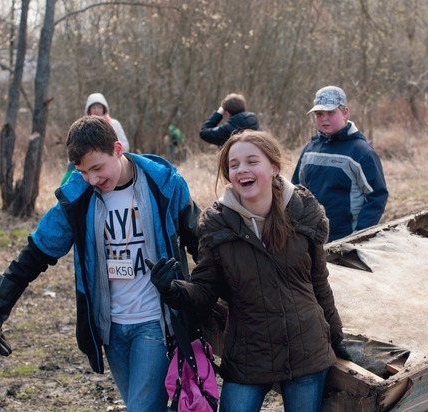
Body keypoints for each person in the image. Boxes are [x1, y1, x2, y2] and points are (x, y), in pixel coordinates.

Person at [0, 116, 201, 411]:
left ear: (118, 149)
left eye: (97, 168)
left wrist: (212, 297)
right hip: (110, 328)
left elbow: (202, 246)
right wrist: (1, 308)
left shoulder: (165, 186)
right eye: (82, 172)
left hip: (155, 322)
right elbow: (36, 254)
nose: (92, 179)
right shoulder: (78, 199)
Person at [146, 130, 351, 412]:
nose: (242, 169)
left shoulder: (303, 210)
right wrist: (172, 289)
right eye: (234, 165)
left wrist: (337, 337)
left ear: (274, 167)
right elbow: (205, 292)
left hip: (307, 350)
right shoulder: (217, 225)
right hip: (248, 354)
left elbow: (319, 283)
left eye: (252, 161)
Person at [292, 85, 388, 242]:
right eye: (319, 113)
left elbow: (376, 197)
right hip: (311, 239)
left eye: (330, 112)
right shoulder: (310, 149)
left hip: (345, 241)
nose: (324, 118)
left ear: (345, 113)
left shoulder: (362, 152)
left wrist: (358, 236)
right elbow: (296, 189)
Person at [61, 93, 130, 185]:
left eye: (99, 107)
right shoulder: (82, 126)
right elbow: (74, 146)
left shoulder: (114, 124)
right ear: (89, 110)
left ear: (104, 108)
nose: (96, 110)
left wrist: (108, 149)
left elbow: (125, 144)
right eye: (93, 107)